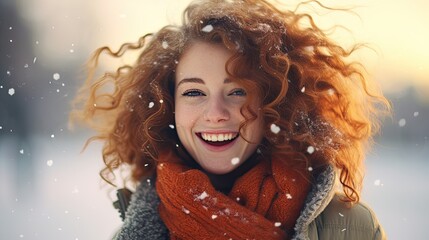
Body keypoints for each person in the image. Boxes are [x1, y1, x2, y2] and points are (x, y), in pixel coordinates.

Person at [70, 0, 390, 239]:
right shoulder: (134, 232)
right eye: (194, 93)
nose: (215, 113)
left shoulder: (350, 228)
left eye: (237, 91)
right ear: (169, 107)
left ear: (273, 102)